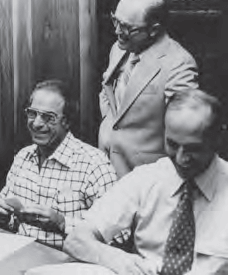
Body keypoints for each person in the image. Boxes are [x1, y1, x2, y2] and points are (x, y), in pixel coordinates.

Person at [65, 89, 228, 274]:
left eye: (193, 149)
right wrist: (117, 259)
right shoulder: (145, 179)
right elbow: (76, 240)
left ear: (218, 139)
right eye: (173, 145)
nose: (181, 159)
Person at [0, 80, 117, 250]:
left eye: (48, 117)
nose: (36, 123)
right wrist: (0, 217)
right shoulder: (22, 158)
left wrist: (63, 224)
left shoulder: (94, 164)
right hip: (19, 258)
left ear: (67, 121)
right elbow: (8, 223)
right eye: (32, 113)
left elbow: (119, 235)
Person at [99, 0, 198, 177]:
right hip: (106, 169)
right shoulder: (119, 49)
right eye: (115, 21)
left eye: (127, 27)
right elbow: (107, 89)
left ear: (154, 30)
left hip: (146, 178)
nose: (117, 31)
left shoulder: (179, 64)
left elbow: (184, 130)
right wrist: (107, 120)